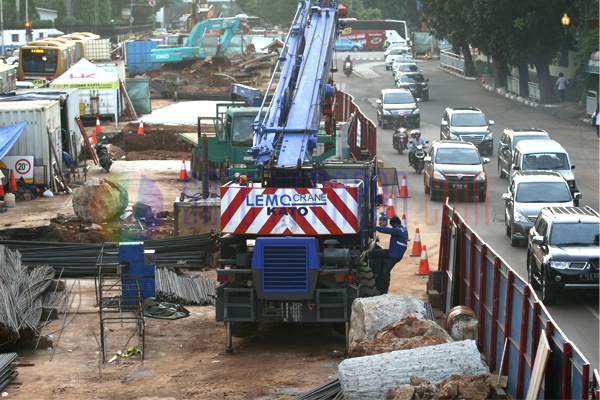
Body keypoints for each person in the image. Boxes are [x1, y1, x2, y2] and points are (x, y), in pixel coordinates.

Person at [371, 215, 408, 294]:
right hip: (392, 252)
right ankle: (376, 273)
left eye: (392, 226)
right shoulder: (403, 229)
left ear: (395, 224)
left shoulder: (399, 231)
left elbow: (388, 230)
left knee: (385, 272)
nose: (392, 227)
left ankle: (381, 290)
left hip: (395, 256)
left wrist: (376, 228)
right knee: (376, 253)